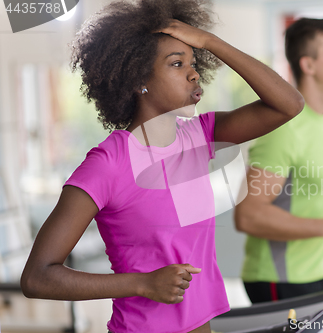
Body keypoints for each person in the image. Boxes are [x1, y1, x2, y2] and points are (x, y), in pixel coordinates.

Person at [20, 0, 304, 332]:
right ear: (139, 79)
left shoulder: (201, 136)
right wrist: (142, 284)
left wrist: (210, 41)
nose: (193, 72)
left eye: (194, 61)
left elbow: (289, 103)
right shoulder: (109, 164)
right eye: (176, 63)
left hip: (203, 326)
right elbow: (38, 276)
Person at [234, 18, 323, 303]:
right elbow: (248, 214)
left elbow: (307, 184)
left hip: (314, 271)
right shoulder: (284, 129)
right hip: (277, 279)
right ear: (308, 65)